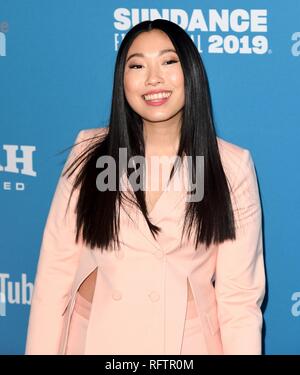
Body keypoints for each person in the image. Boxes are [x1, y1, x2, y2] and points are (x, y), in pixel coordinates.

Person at [25, 19, 265, 355]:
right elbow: (55, 272)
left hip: (183, 346)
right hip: (93, 338)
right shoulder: (91, 152)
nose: (154, 78)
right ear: (122, 80)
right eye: (137, 65)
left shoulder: (229, 166)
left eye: (168, 62)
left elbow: (239, 297)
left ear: (191, 73)